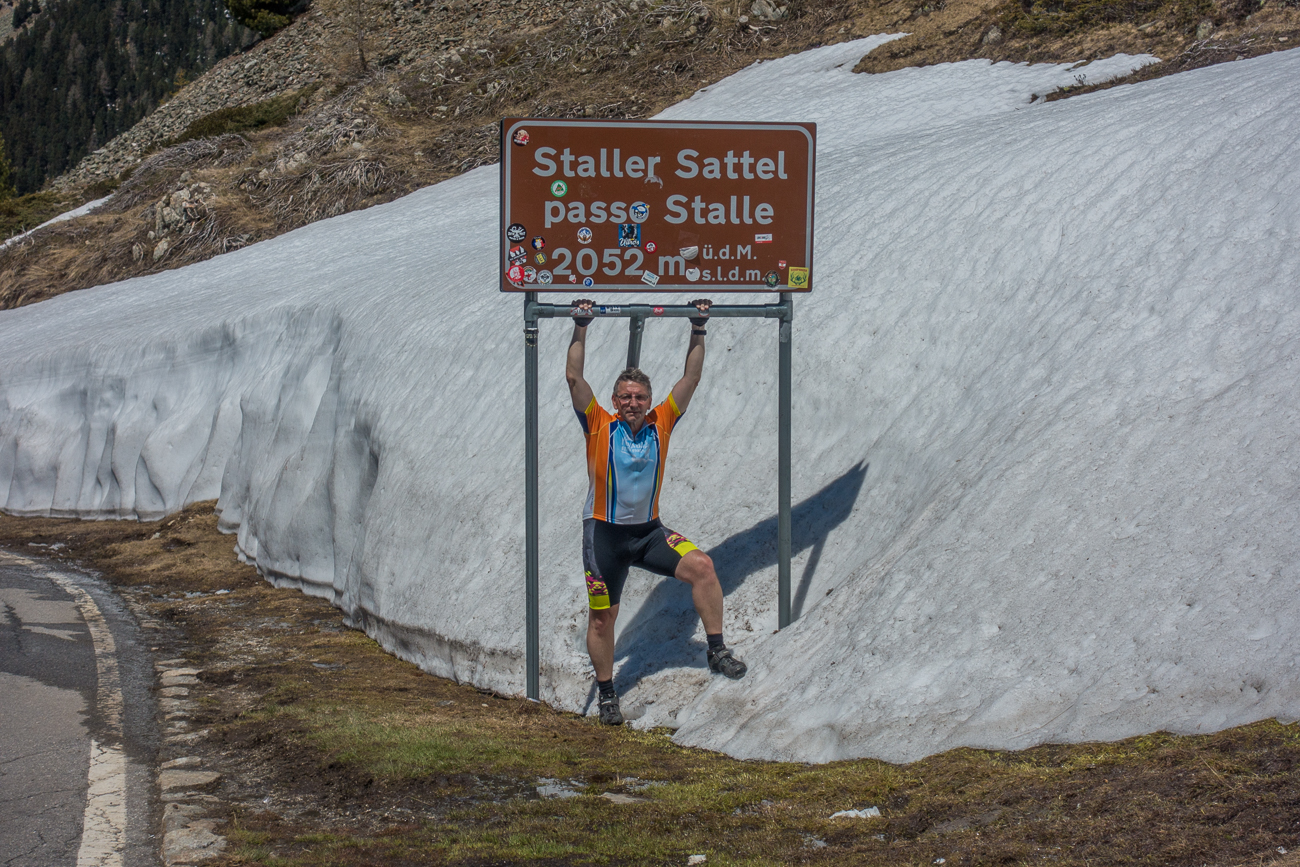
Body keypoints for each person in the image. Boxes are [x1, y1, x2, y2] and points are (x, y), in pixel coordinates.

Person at [565, 297, 747, 727]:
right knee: (602, 619)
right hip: (604, 537)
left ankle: (717, 649)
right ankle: (608, 694)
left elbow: (692, 376)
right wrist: (581, 326)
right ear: (614, 399)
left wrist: (698, 327)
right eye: (626, 397)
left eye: (640, 396)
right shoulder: (598, 423)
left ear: (648, 399)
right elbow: (574, 375)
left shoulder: (661, 422)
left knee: (702, 566)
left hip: (648, 533)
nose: (633, 402)